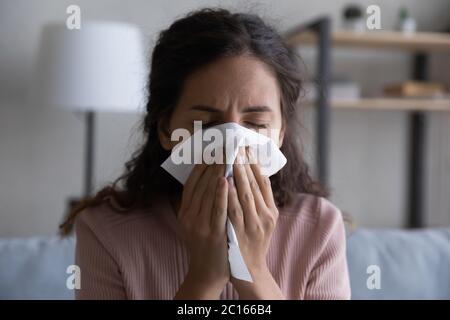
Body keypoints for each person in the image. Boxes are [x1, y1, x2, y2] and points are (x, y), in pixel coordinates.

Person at [61, 8, 351, 300]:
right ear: (166, 130)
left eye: (256, 124)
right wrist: (203, 279)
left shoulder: (318, 227)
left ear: (280, 132)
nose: (232, 144)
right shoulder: (106, 232)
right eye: (208, 125)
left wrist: (252, 272)